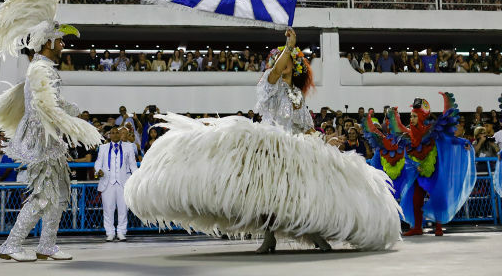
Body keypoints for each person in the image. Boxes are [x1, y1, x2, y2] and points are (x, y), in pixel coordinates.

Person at [125, 28, 401, 255]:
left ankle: (315, 234)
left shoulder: (297, 97)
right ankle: (271, 239)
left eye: (286, 62)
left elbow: (305, 129)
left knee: (299, 196)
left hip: (297, 151)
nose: (280, 66)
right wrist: (289, 45)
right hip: (271, 149)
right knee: (270, 195)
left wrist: (325, 141)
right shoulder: (268, 87)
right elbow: (276, 72)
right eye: (279, 62)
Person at [0, 0, 100, 262]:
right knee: (42, 197)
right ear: (48, 43)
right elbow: (42, 106)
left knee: (60, 195)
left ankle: (47, 245)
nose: (63, 45)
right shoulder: (39, 68)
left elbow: (52, 102)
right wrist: (72, 124)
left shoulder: (45, 68)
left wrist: (73, 114)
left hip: (52, 142)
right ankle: (10, 245)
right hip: (42, 143)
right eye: (60, 41)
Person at [388, 94, 476, 237]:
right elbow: (406, 152)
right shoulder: (409, 136)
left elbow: (449, 139)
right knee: (416, 200)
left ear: (421, 117)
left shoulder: (432, 132)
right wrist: (394, 115)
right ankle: (417, 227)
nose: (411, 119)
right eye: (410, 117)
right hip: (418, 173)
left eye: (414, 116)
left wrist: (463, 143)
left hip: (434, 173)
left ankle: (439, 227)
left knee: (438, 198)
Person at [94, 127, 137, 242]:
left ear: (120, 134)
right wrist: (98, 171)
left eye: (117, 132)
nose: (114, 134)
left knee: (123, 209)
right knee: (108, 209)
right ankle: (110, 232)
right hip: (107, 183)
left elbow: (133, 165)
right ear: (109, 135)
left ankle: (122, 232)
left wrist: (136, 179)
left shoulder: (129, 147)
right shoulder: (103, 148)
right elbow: (98, 163)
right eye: (112, 133)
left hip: (124, 182)